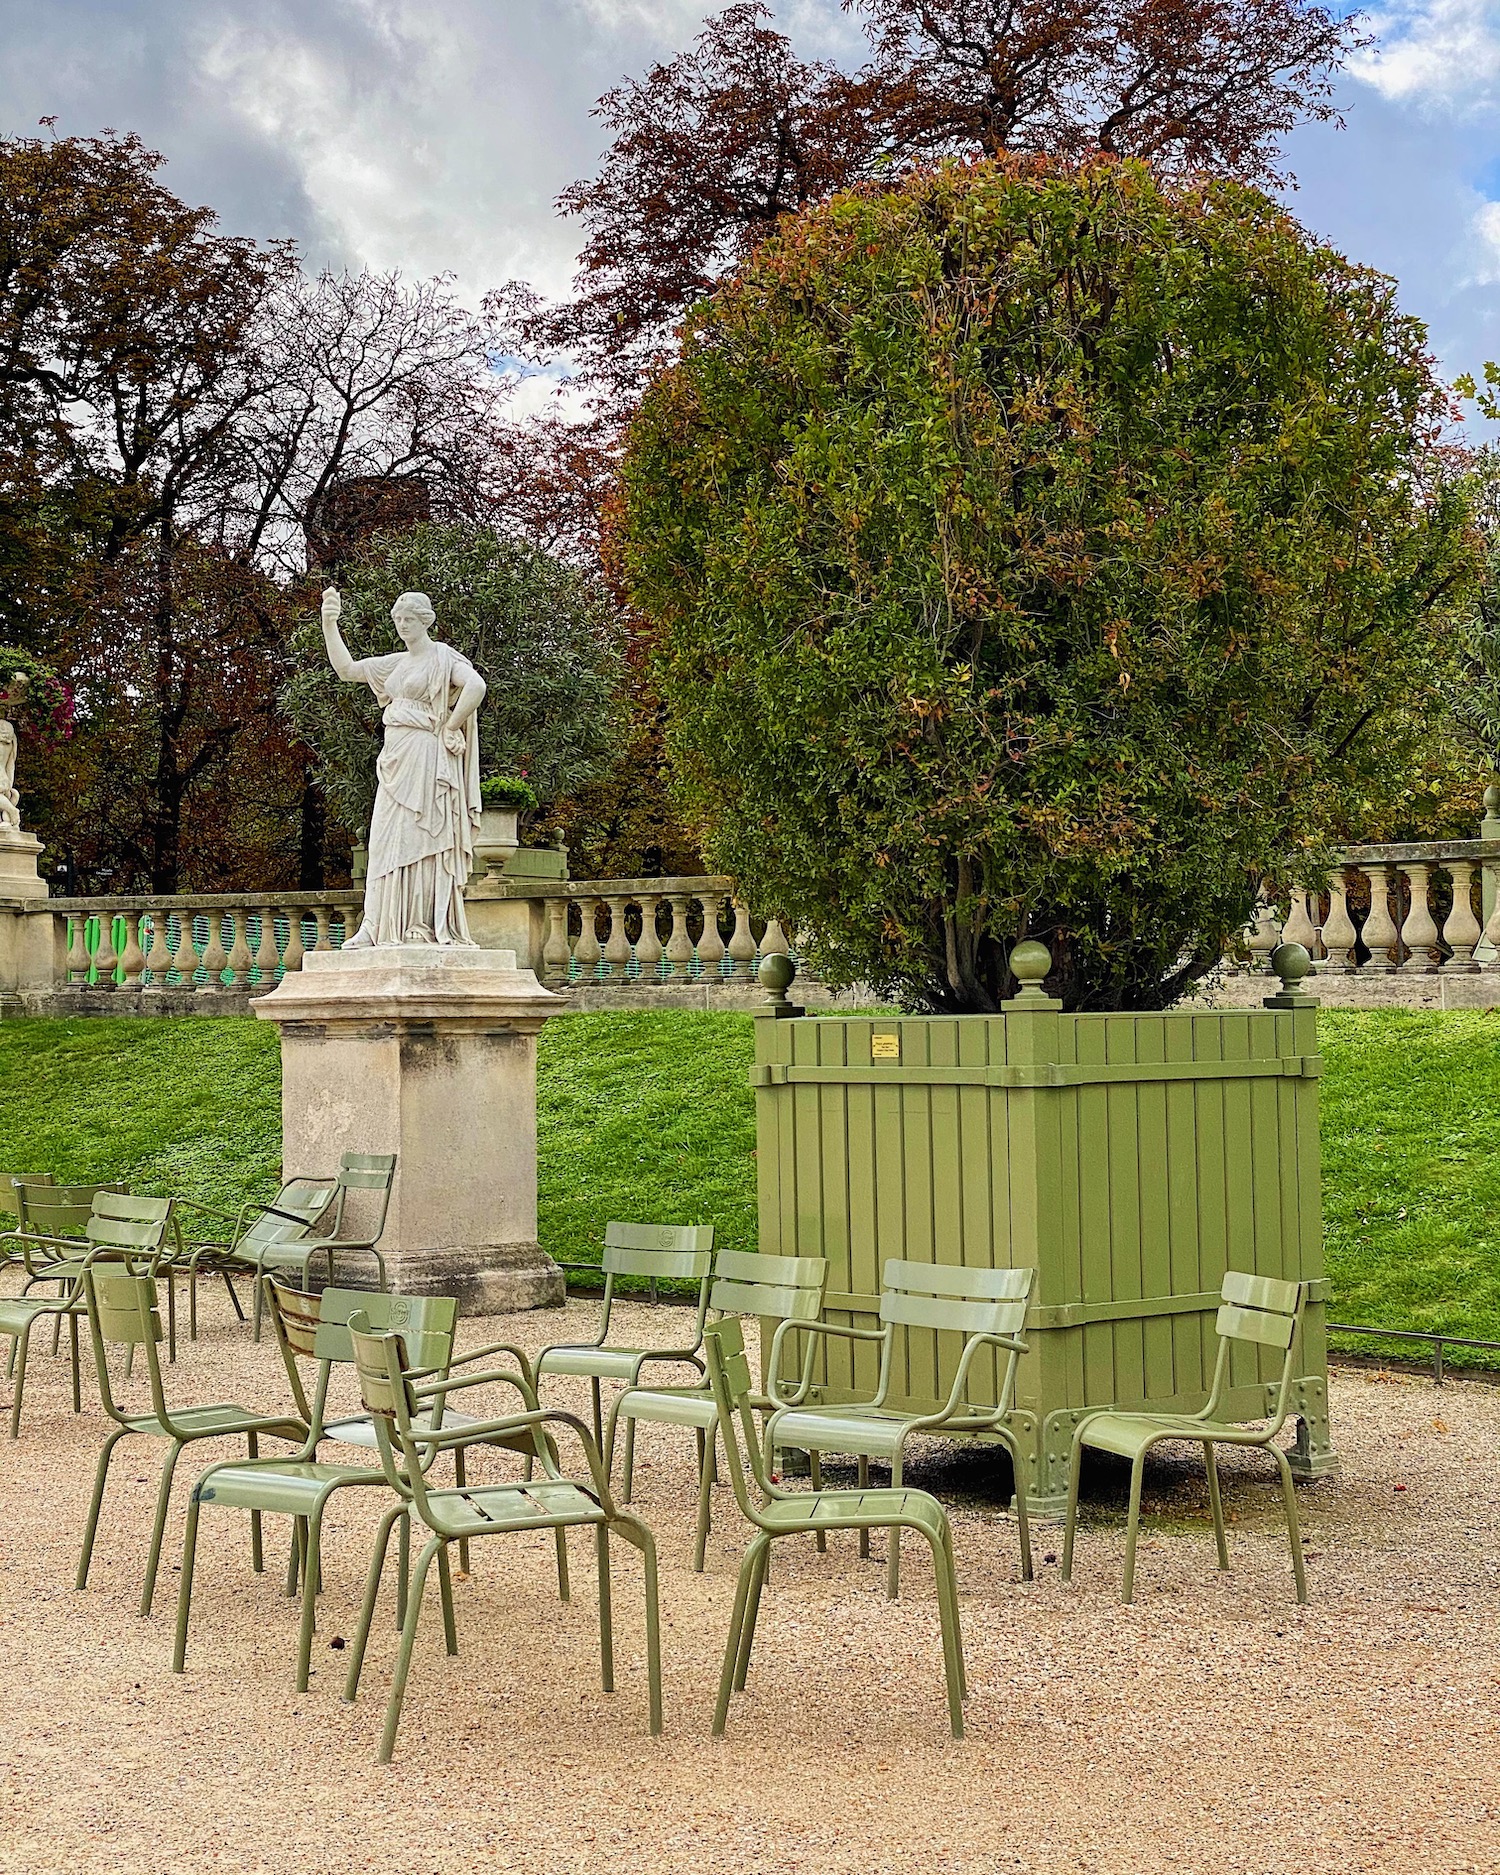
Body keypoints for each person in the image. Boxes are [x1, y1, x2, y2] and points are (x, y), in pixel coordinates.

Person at [320, 586, 486, 946]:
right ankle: (376, 925)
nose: (402, 626)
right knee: (383, 839)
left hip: (426, 756)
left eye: (408, 619)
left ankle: (419, 923)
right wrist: (329, 623)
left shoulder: (442, 657)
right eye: (397, 620)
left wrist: (450, 725)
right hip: (395, 757)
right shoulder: (394, 663)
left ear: (425, 620)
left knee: (422, 835)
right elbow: (347, 670)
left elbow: (476, 685)